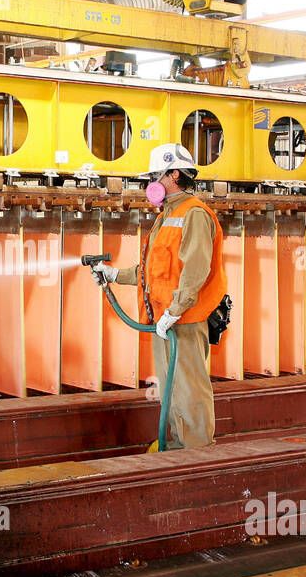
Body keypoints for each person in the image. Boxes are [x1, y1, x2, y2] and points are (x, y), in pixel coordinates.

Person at [92, 143, 227, 449]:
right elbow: (154, 271)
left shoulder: (193, 214)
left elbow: (195, 270)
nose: (150, 182)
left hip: (184, 321)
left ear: (174, 174)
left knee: (188, 390)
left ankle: (196, 454)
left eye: (155, 175)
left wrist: (175, 311)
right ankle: (177, 447)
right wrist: (115, 275)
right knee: (171, 388)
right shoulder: (167, 215)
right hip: (165, 320)